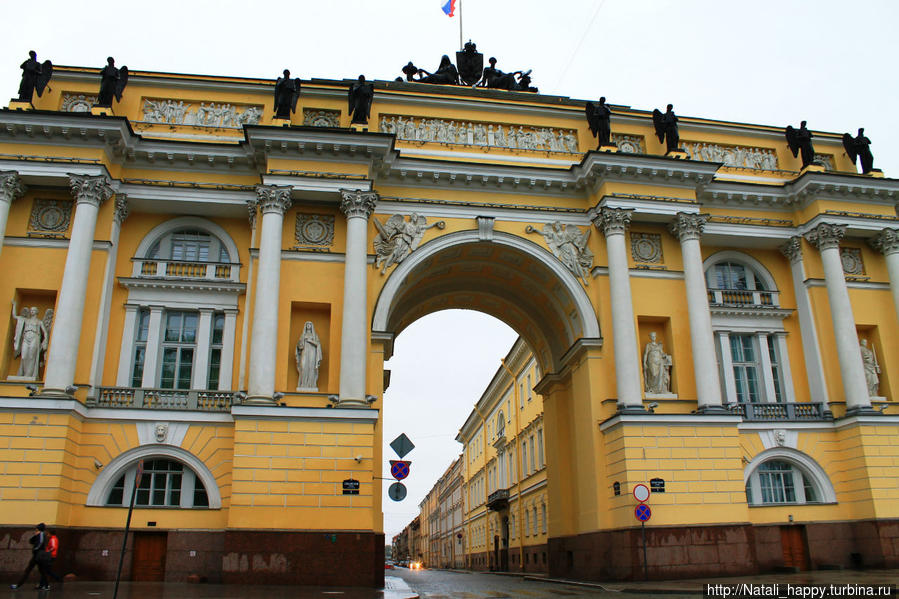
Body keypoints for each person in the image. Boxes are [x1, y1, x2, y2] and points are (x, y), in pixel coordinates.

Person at [12, 304, 48, 379]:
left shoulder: (39, 322)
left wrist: (45, 341)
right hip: (26, 338)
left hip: (35, 337)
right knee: (24, 356)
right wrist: (14, 305)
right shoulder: (26, 320)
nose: (32, 311)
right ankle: (24, 373)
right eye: (31, 310)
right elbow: (14, 316)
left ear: (37, 312)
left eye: (33, 310)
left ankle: (29, 374)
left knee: (32, 356)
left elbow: (45, 332)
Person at [11, 523, 49, 590]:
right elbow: (31, 541)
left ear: (39, 528)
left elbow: (40, 543)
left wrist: (35, 549)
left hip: (38, 556)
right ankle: (46, 586)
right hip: (38, 556)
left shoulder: (42, 534)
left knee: (28, 570)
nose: (36, 529)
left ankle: (18, 585)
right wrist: (35, 536)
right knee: (42, 571)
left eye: (37, 528)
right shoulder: (39, 534)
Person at [295, 322, 323, 390]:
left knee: (311, 367)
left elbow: (318, 344)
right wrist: (300, 344)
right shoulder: (303, 335)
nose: (308, 326)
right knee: (304, 367)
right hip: (304, 352)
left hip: (312, 353)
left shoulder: (314, 335)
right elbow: (299, 346)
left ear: (311, 326)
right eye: (307, 325)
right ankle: (303, 384)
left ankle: (311, 384)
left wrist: (310, 341)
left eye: (310, 325)